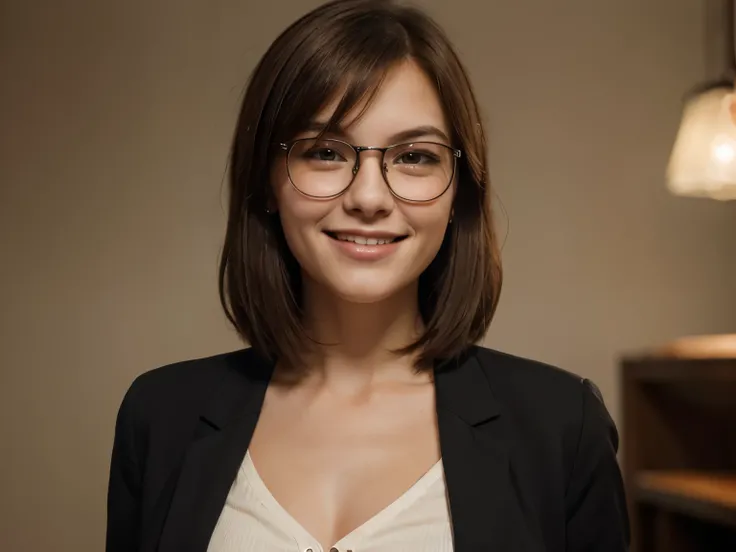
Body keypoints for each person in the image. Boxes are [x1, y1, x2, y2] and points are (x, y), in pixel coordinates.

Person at [106, 1, 630, 551]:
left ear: (459, 190)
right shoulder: (159, 416)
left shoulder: (561, 427)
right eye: (327, 152)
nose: (369, 197)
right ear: (266, 181)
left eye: (415, 157)